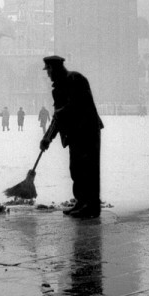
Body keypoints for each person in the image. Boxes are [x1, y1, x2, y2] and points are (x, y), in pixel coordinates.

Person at [40, 56, 104, 219]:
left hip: (87, 131)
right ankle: (82, 201)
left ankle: (92, 206)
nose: (48, 74)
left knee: (89, 169)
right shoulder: (58, 88)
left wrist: (61, 113)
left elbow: (76, 105)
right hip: (75, 133)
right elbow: (58, 116)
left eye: (48, 70)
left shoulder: (76, 79)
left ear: (54, 68)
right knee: (76, 169)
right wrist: (47, 138)